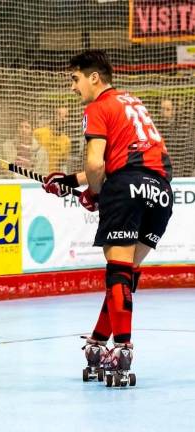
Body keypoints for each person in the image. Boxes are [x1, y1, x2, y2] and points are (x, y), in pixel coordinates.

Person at [42, 50, 173, 385]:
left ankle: (123, 348)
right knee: (125, 275)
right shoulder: (131, 101)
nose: (73, 87)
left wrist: (96, 193)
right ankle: (99, 341)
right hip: (160, 191)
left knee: (117, 272)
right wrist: (70, 183)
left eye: (75, 79)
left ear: (94, 77)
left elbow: (97, 164)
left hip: (125, 188)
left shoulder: (97, 107)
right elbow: (120, 161)